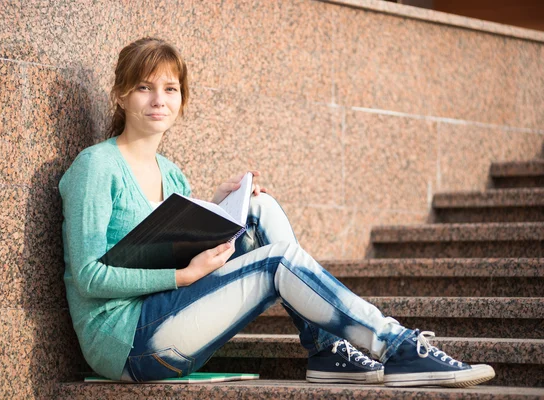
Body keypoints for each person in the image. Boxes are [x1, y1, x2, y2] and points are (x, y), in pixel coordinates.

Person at [59, 37, 495, 387]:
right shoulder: (96, 167)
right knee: (277, 261)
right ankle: (396, 345)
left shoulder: (172, 176)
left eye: (170, 89)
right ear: (120, 94)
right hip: (125, 342)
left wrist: (216, 208)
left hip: (170, 319)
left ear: (182, 100)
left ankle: (325, 348)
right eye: (144, 87)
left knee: (257, 206)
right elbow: (89, 277)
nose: (159, 99)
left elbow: (169, 248)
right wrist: (182, 276)